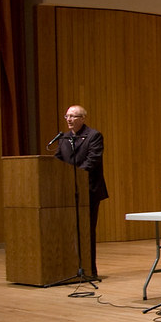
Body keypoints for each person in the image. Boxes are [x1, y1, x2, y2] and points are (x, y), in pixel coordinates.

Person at [54, 105, 108, 277]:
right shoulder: (64, 138)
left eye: (73, 116)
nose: (69, 119)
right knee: (70, 231)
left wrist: (75, 176)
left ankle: (89, 270)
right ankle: (71, 269)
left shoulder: (94, 136)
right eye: (67, 116)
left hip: (89, 191)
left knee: (86, 231)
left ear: (82, 118)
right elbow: (57, 160)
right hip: (68, 191)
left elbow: (93, 160)